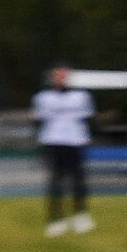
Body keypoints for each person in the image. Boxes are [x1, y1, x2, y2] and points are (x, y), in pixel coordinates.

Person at [31, 65, 96, 236]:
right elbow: (38, 120)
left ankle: (80, 216)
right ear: (52, 79)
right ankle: (55, 219)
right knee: (56, 181)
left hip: (75, 141)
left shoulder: (81, 97)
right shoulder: (43, 98)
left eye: (64, 76)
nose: (61, 79)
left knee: (78, 180)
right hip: (53, 142)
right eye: (57, 76)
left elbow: (87, 119)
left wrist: (86, 137)